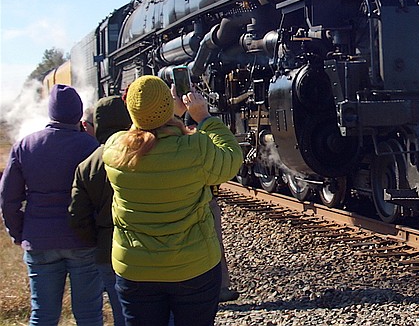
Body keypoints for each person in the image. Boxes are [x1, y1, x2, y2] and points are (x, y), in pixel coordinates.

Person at [102, 75, 243, 326]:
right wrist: (204, 118)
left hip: (136, 268)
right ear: (168, 107)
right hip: (193, 267)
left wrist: (166, 115)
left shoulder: (114, 151)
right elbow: (231, 158)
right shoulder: (196, 148)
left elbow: (144, 132)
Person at [0, 84, 104, 326]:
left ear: (51, 112)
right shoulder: (91, 147)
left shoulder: (25, 146)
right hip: (83, 240)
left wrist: (17, 232)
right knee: (89, 315)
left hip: (39, 240)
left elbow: (8, 198)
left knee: (43, 315)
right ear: (79, 114)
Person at [69, 96, 132, 326]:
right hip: (146, 248)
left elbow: (78, 217)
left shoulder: (87, 166)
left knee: (122, 315)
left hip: (107, 250)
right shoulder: (144, 152)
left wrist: (97, 242)